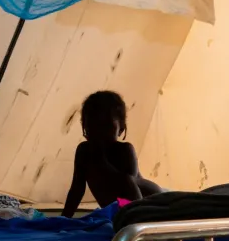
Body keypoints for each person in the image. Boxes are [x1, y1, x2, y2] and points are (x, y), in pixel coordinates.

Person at [61, 90, 164, 218]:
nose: (100, 133)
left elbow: (128, 189)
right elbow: (77, 189)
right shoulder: (84, 151)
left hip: (155, 202)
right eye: (93, 126)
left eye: (107, 127)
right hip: (126, 208)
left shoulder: (125, 150)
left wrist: (101, 161)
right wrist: (64, 220)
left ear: (121, 129)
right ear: (85, 128)